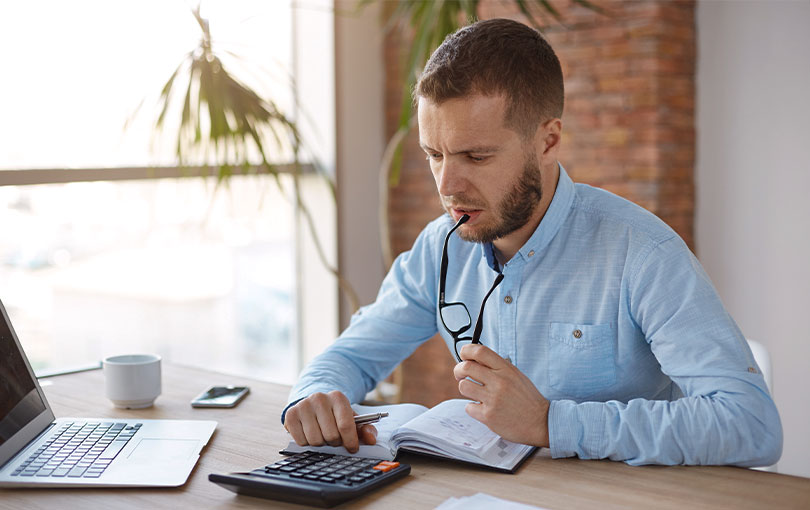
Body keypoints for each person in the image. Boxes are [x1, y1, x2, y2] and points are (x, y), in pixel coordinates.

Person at [282, 18, 782, 466]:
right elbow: (348, 357)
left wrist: (550, 423)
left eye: (476, 156)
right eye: (434, 154)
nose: (448, 185)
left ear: (547, 140)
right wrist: (315, 396)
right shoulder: (441, 247)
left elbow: (751, 425)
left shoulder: (642, 252)